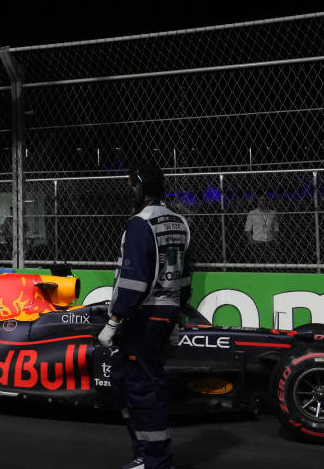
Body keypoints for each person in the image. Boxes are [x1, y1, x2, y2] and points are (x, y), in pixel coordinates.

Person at [98, 164, 191, 469]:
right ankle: (146, 455)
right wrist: (177, 314)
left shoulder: (140, 223)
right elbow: (184, 274)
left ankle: (155, 461)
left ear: (139, 189)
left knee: (142, 388)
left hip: (145, 315)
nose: (128, 192)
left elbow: (134, 281)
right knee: (126, 383)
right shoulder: (179, 222)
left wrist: (114, 321)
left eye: (129, 186)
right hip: (166, 311)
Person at [244, 194, 279, 261]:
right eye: (260, 200)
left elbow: (276, 228)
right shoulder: (252, 213)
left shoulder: (273, 213)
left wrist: (275, 240)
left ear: (267, 201)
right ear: (257, 201)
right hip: (257, 243)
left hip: (270, 242)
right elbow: (247, 229)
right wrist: (251, 242)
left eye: (264, 200)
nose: (262, 202)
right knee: (258, 265)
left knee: (271, 264)